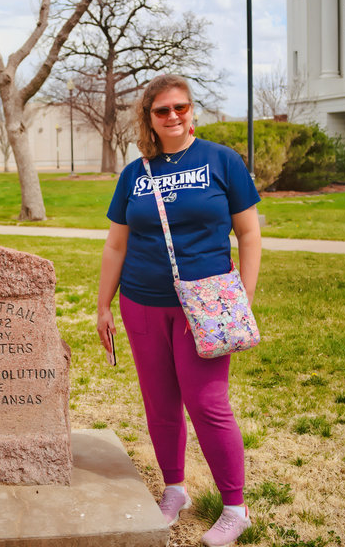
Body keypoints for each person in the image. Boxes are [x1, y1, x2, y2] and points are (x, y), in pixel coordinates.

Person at [96, 74, 261, 547]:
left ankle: (234, 507)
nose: (174, 117)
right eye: (163, 110)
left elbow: (249, 235)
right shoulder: (136, 172)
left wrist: (240, 300)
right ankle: (174, 491)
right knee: (160, 403)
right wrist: (103, 304)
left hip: (204, 307)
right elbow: (115, 244)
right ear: (149, 117)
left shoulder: (221, 161)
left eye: (181, 108)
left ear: (192, 111)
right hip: (141, 303)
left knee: (208, 404)